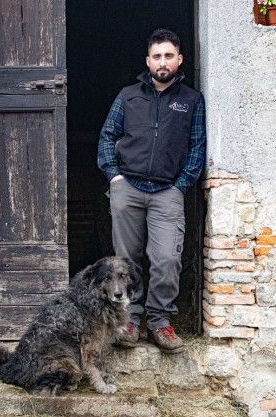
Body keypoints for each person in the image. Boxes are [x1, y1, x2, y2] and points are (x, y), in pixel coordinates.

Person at [97, 28, 206, 354]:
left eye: (168, 56)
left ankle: (160, 322)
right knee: (125, 262)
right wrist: (114, 177)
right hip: (128, 188)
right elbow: (107, 136)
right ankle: (130, 320)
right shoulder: (128, 96)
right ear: (148, 61)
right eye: (157, 56)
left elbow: (197, 147)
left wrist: (181, 185)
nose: (162, 62)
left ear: (179, 59)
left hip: (167, 192)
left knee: (167, 260)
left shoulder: (191, 100)